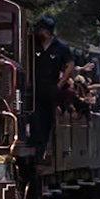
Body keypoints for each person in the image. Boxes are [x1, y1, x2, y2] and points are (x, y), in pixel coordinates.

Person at [30, 16, 72, 150]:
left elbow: (69, 65)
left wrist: (60, 84)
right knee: (34, 116)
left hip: (51, 88)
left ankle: (44, 147)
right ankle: (35, 143)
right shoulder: (32, 44)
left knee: (47, 119)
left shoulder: (61, 47)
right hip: (34, 87)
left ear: (47, 32)